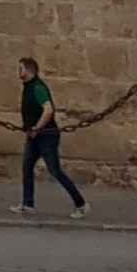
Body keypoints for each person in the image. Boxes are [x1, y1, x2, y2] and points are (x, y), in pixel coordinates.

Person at [17, 55, 86, 213]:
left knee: (55, 171)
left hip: (46, 136)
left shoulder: (37, 87)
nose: (18, 71)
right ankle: (28, 204)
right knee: (27, 166)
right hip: (34, 137)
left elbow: (48, 109)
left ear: (28, 70)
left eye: (20, 68)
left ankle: (81, 204)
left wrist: (37, 127)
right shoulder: (28, 87)